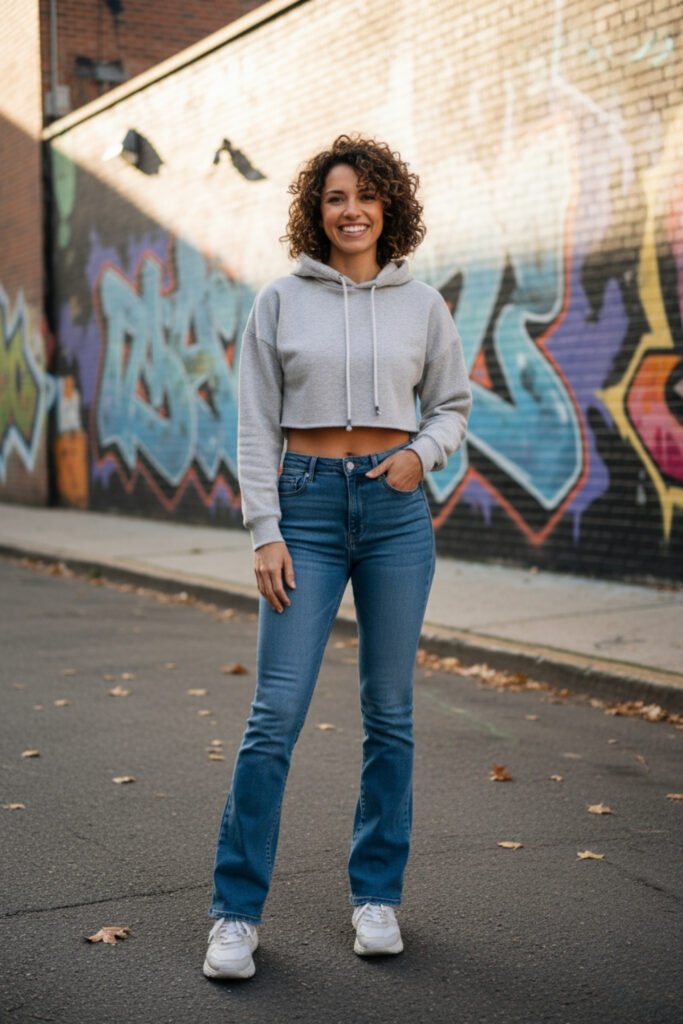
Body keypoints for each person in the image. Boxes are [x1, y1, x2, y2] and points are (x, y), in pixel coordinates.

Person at [203, 134, 471, 980]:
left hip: (394, 514)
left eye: (363, 195)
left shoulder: (421, 304)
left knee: (388, 715)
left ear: (388, 205)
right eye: (332, 198)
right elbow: (253, 421)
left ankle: (376, 898)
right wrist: (265, 529)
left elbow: (452, 407)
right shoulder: (281, 300)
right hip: (306, 508)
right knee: (272, 717)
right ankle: (235, 914)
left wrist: (418, 457)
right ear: (314, 214)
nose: (348, 209)